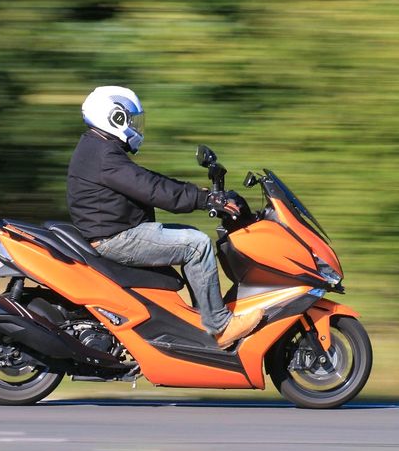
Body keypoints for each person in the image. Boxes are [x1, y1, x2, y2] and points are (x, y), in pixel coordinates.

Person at [66, 85, 263, 349]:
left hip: (117, 231)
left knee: (186, 236)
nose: (136, 126)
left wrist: (200, 194)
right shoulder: (103, 154)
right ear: (115, 118)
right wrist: (203, 200)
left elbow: (147, 181)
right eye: (131, 118)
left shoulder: (99, 148)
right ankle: (220, 327)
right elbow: (152, 189)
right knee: (197, 245)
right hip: (117, 238)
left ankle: (200, 321)